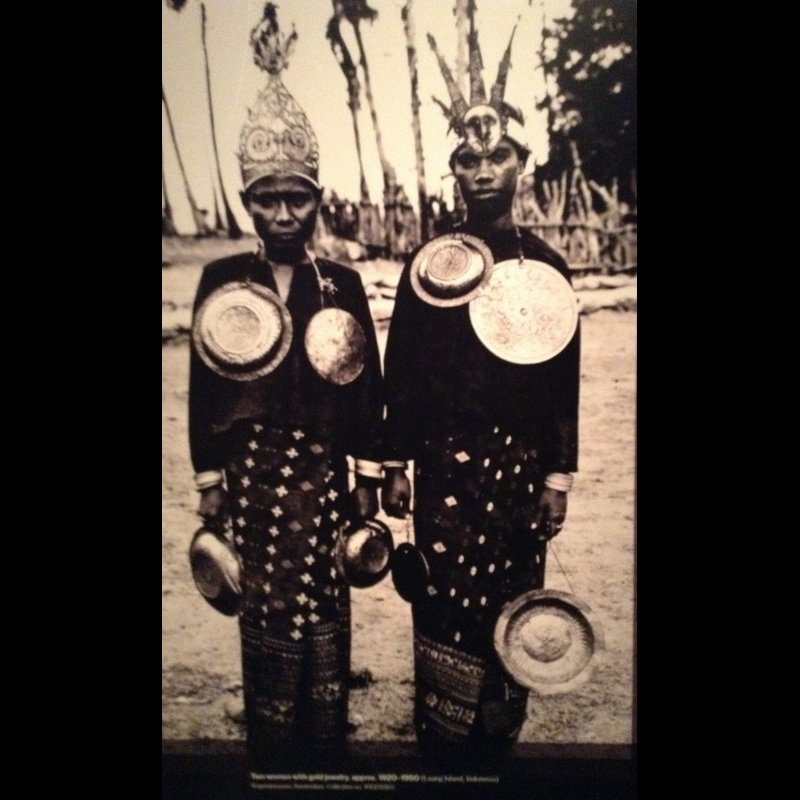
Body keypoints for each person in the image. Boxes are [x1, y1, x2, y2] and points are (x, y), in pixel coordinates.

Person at [187, 4, 383, 783]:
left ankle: (325, 736)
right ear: (248, 204)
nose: (282, 213)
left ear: (317, 199)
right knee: (264, 602)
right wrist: (209, 480)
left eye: (296, 197)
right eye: (267, 199)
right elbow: (204, 387)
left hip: (322, 474)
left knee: (326, 598)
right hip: (253, 476)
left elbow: (366, 388)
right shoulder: (220, 279)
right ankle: (272, 746)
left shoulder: (341, 283)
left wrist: (368, 478)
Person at [381, 12, 580, 770]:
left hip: (520, 469)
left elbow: (561, 380)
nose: (484, 170)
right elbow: (402, 371)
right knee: (441, 600)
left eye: (498, 156)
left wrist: (558, 475)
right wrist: (393, 462)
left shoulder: (549, 266)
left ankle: (496, 741)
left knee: (511, 597)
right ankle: (442, 741)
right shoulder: (427, 264)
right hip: (441, 470)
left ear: (522, 162)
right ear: (454, 171)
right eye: (469, 159)